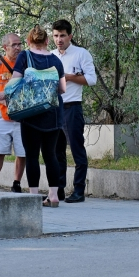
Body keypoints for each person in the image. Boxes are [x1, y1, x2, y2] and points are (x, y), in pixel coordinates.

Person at [0, 25, 66, 206]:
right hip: (53, 114)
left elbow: (14, 82)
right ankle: (53, 195)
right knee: (51, 155)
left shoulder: (24, 56)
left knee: (32, 155)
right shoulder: (56, 60)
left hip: (32, 114)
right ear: (47, 41)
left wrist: (3, 94)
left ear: (28, 41)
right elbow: (62, 89)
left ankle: (34, 197)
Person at [51, 19, 97, 203]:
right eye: (55, 35)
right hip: (54, 108)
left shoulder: (81, 54)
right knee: (56, 152)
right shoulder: (51, 55)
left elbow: (91, 79)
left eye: (62, 35)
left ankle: (79, 191)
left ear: (70, 36)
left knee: (77, 150)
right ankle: (59, 189)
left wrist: (69, 77)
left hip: (72, 107)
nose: (59, 39)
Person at [0, 33, 26, 192]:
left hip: (22, 118)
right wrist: (2, 101)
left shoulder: (26, 64)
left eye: (19, 44)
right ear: (5, 47)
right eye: (14, 45)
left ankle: (16, 183)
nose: (18, 48)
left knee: (22, 153)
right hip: (1, 118)